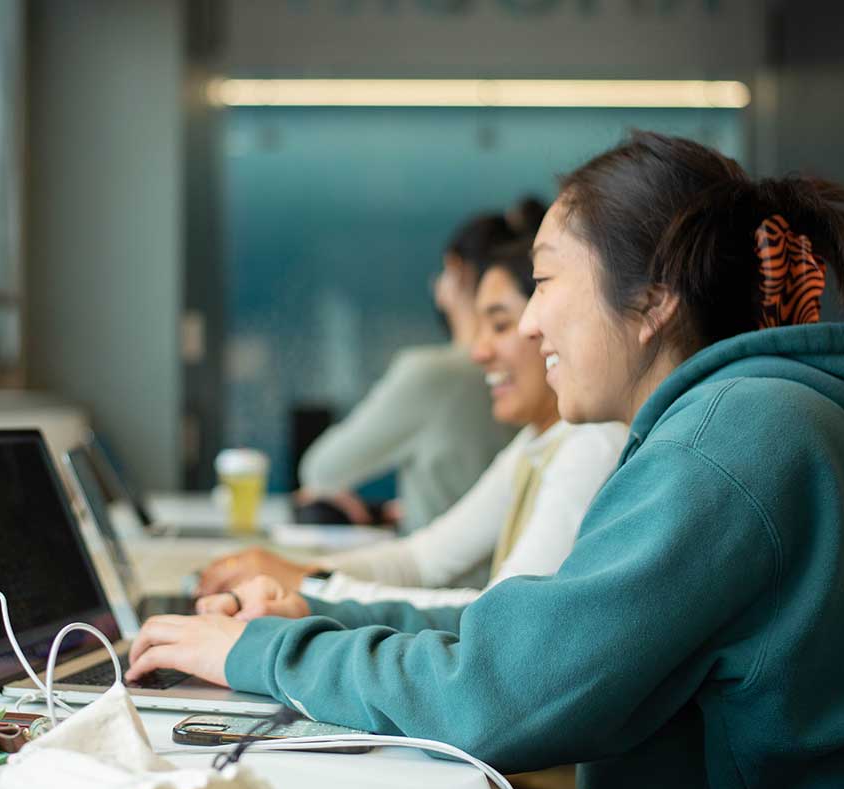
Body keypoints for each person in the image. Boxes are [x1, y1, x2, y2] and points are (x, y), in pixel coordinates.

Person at [126, 132, 844, 789]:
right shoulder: (756, 421)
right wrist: (320, 618)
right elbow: (535, 631)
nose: (529, 323)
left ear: (655, 298)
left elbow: (496, 694)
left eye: (546, 280)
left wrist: (258, 652)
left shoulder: (728, 442)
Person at [197, 241, 626, 607]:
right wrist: (301, 574)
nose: (478, 352)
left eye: (500, 324)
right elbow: (423, 558)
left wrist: (311, 588)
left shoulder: (592, 443)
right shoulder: (537, 441)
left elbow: (499, 615)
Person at [294, 211, 531, 532]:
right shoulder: (533, 396)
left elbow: (321, 469)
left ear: (456, 270)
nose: (482, 354)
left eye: (502, 324)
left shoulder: (433, 374)